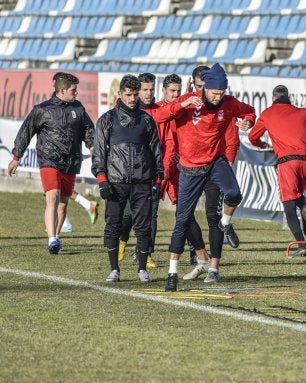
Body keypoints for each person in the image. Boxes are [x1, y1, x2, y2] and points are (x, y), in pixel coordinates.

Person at [164, 63, 255, 291]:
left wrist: (247, 121)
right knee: (182, 221)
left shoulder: (229, 102)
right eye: (214, 92)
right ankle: (172, 272)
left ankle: (225, 224)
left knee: (234, 193)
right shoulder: (188, 100)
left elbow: (249, 111)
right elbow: (161, 116)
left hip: (215, 162)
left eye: (221, 93)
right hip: (189, 169)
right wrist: (180, 105)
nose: (218, 97)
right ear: (204, 88)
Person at [117, 73, 197, 268]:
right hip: (141, 169)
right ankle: (122, 240)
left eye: (150, 89)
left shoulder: (165, 109)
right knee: (129, 213)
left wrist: (168, 165)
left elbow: (170, 141)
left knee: (174, 211)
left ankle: (187, 251)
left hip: (169, 169)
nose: (147, 93)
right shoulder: (149, 112)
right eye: (144, 89)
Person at [8, 72, 94, 254]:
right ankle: (52, 239)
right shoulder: (42, 109)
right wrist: (16, 157)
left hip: (71, 161)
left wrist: (93, 145)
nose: (76, 93)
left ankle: (56, 238)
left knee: (63, 204)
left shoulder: (78, 108)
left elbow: (88, 130)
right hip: (49, 160)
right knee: (52, 197)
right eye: (73, 89)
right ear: (62, 90)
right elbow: (26, 132)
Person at [92, 74, 163, 283]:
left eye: (135, 94)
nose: (133, 99)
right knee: (113, 224)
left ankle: (142, 269)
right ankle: (114, 269)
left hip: (142, 181)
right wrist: (102, 178)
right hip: (115, 181)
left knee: (144, 226)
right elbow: (99, 153)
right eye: (129, 94)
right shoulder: (106, 120)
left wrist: (158, 180)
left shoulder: (147, 120)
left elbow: (155, 151)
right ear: (120, 94)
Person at [248, 84, 306, 257]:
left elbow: (252, 137)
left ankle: (302, 246)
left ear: (273, 98)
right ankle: (304, 206)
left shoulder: (268, 113)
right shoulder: (302, 112)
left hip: (287, 162)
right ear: (288, 97)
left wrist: (262, 144)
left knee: (288, 205)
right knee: (297, 195)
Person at [182, 65, 244, 282]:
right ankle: (202, 258)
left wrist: (227, 160)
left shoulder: (225, 105)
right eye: (199, 87)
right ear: (195, 85)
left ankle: (214, 268)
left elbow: (232, 133)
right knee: (184, 216)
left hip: (215, 163)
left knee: (212, 215)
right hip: (189, 164)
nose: (206, 94)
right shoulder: (189, 102)